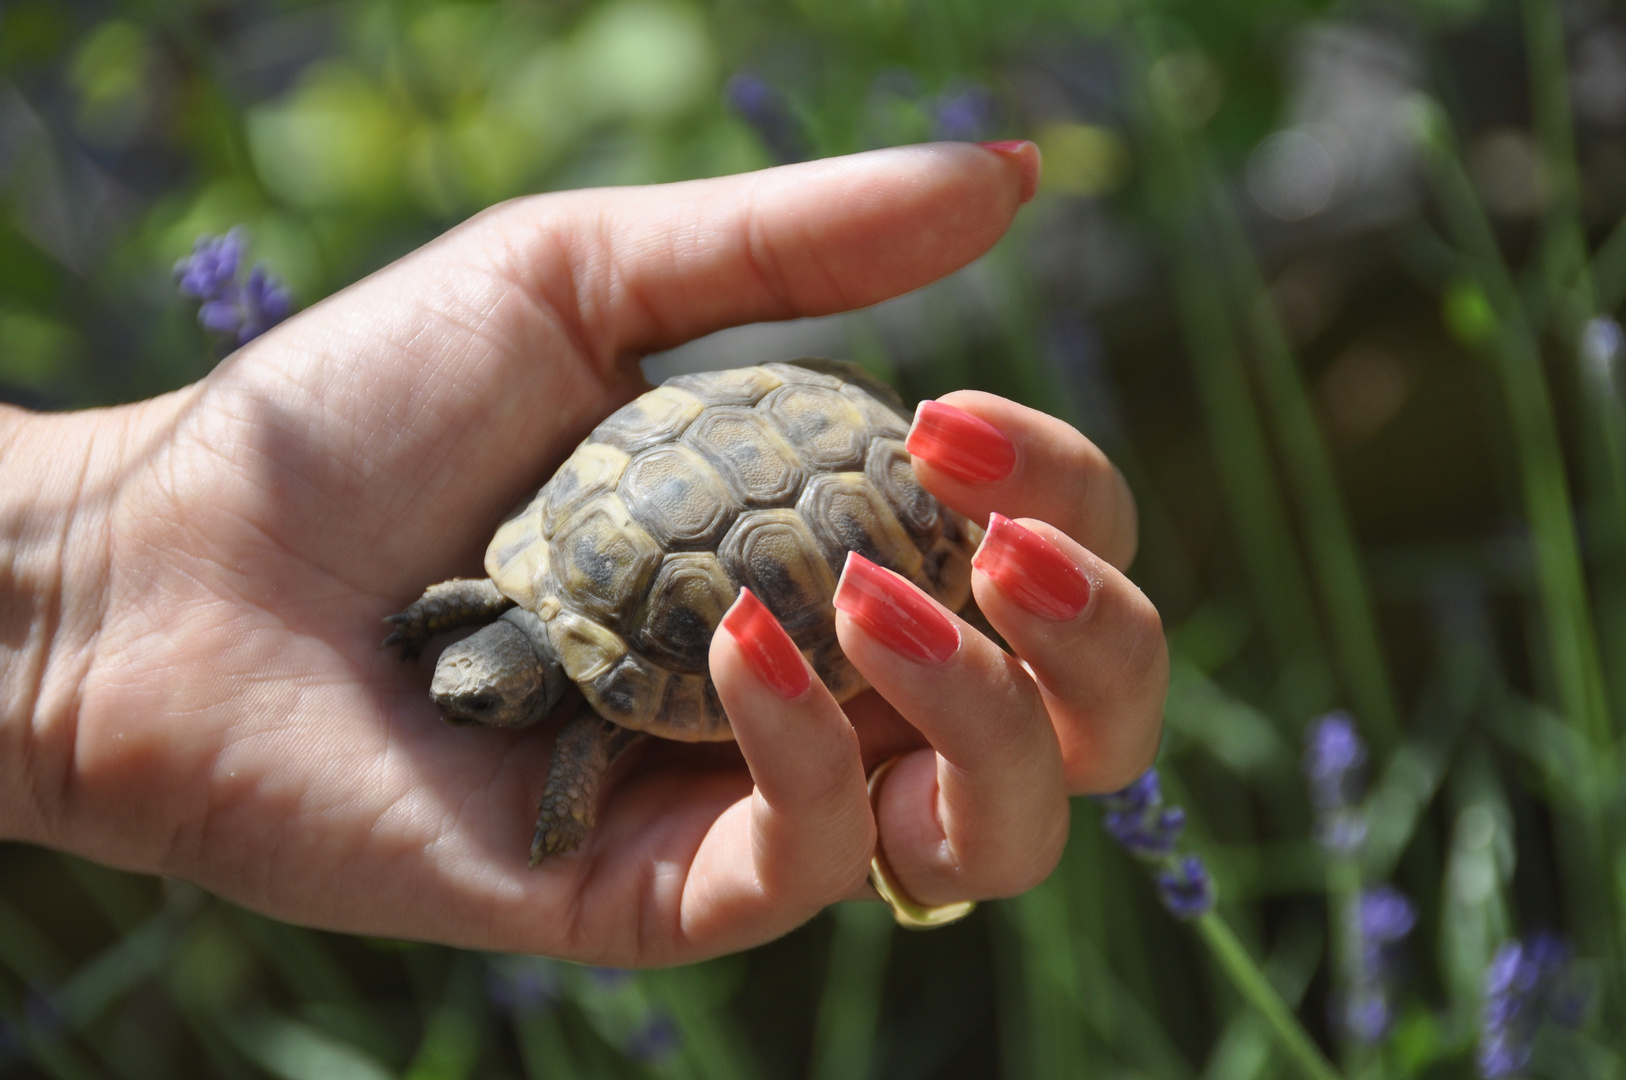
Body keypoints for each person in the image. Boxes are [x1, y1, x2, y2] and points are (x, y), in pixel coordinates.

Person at [0, 141, 1166, 965]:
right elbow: (490, 632)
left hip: (829, 476)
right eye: (474, 698)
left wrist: (96, 596)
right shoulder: (505, 601)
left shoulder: (573, 675)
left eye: (479, 698)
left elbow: (578, 741)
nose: (463, 703)